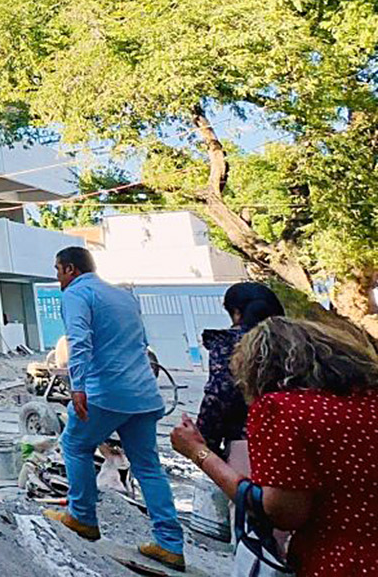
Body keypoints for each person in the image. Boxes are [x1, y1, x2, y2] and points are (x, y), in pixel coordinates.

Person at [171, 317, 378, 576]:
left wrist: (198, 452)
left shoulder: (283, 409)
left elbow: (284, 512)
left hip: (343, 561)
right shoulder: (368, 401)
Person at [44, 246, 185, 572]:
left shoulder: (76, 294)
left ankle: (82, 517)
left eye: (58, 270)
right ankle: (170, 544)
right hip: (143, 393)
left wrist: (77, 386)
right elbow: (141, 343)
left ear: (70, 269)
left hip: (105, 392)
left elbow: (79, 340)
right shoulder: (123, 296)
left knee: (74, 445)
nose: (58, 277)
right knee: (148, 466)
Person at [196, 282, 284, 465]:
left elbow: (220, 394)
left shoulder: (229, 344)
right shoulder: (298, 340)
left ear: (236, 313)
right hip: (308, 438)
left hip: (249, 446)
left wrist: (203, 447)